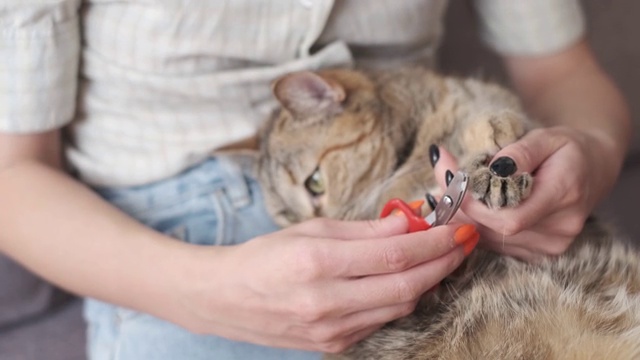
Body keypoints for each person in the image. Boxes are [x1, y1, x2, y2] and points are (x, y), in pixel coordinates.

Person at [0, 0, 630, 359]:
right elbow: (13, 175)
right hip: (175, 253)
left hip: (437, 191)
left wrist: (591, 154)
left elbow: (562, 73)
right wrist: (201, 293)